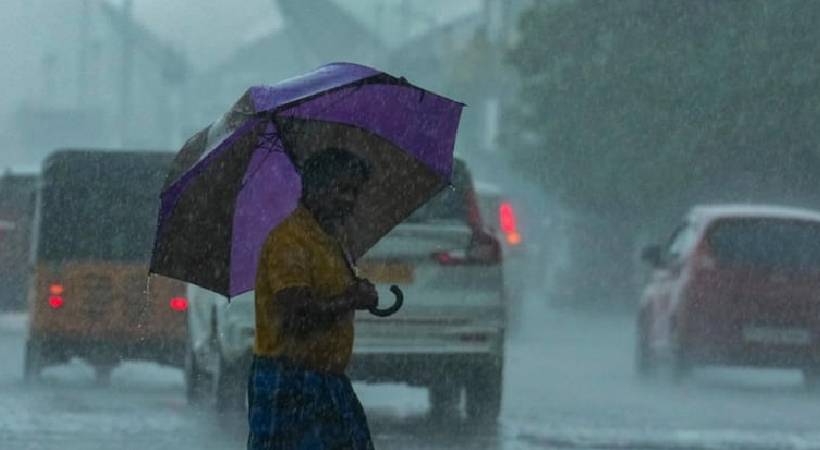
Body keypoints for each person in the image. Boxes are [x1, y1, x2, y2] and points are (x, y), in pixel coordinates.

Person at [247, 147, 378, 450]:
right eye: (342, 190)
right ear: (315, 188)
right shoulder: (289, 240)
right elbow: (296, 315)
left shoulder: (329, 238)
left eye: (355, 192)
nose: (350, 200)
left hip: (328, 380)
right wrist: (350, 299)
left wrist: (357, 292)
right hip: (290, 382)